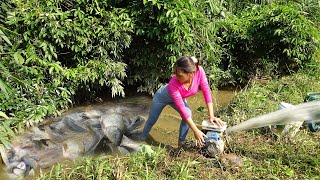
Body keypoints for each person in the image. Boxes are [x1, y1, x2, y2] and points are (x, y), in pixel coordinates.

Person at [141, 56, 225, 147]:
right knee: (151, 120)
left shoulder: (199, 71)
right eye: (176, 74)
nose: (176, 77)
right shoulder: (173, 83)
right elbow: (182, 109)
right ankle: (140, 139)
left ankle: (181, 142)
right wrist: (196, 130)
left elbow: (206, 92)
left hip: (179, 98)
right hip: (162, 97)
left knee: (189, 113)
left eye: (180, 75)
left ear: (191, 73)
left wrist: (211, 116)